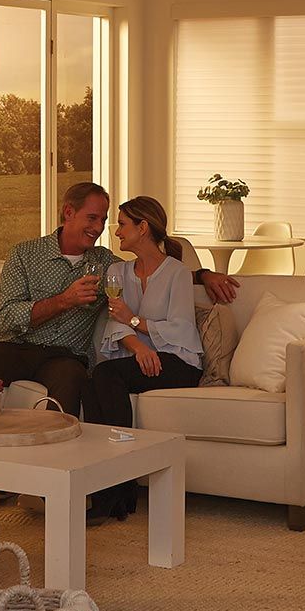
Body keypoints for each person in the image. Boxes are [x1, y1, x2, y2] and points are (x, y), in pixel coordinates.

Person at [0, 182, 237, 422]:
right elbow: (6, 317)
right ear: (69, 212)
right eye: (92, 218)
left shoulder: (104, 263)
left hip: (65, 357)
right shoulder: (25, 254)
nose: (100, 228)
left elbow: (154, 269)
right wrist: (64, 300)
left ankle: (57, 457)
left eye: (104, 220)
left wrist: (204, 275)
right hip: (18, 348)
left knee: (75, 378)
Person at [82, 196, 203, 520]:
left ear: (143, 227)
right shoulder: (117, 272)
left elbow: (181, 328)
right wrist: (140, 348)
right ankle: (107, 491)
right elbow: (113, 322)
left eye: (122, 224)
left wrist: (134, 320)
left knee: (106, 375)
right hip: (142, 359)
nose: (116, 231)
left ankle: (119, 489)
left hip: (179, 363)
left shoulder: (177, 273)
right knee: (90, 382)